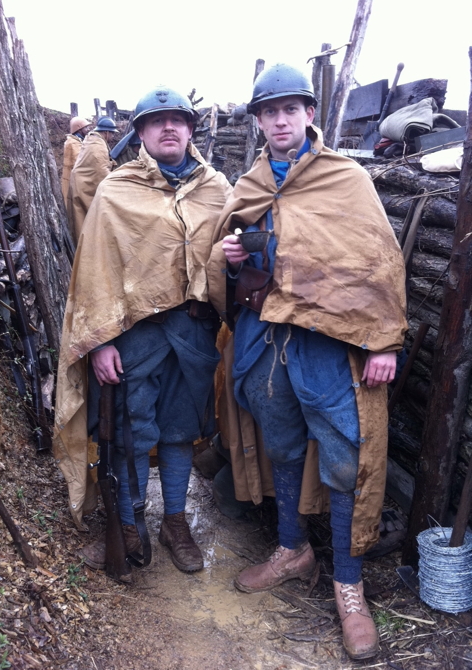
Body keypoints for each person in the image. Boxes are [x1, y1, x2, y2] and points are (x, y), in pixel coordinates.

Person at [207, 63, 407, 660]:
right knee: (283, 443)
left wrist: (384, 341)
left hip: (326, 342)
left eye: (289, 109)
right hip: (266, 338)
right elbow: (230, 264)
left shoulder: (344, 179)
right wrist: (231, 254)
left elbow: (379, 259)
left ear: (309, 114)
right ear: (260, 121)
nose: (279, 119)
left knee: (345, 456)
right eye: (269, 112)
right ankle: (293, 550)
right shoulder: (248, 186)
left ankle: (349, 585)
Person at [53, 86, 232, 575]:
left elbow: (229, 261)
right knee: (132, 430)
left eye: (178, 119)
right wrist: (101, 341)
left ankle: (175, 521)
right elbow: (95, 269)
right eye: (157, 121)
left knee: (180, 430)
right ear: (141, 133)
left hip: (195, 331)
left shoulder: (218, 188)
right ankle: (128, 523)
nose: (169, 127)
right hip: (136, 335)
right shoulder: (117, 190)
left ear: (191, 129)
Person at [66, 116, 118, 243]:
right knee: (85, 221)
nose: (112, 137)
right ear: (106, 133)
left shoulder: (93, 139)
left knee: (83, 219)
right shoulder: (97, 144)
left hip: (81, 184)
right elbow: (101, 171)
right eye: (112, 134)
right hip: (84, 187)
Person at [61, 116, 92, 206]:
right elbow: (80, 160)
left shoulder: (78, 141)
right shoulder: (73, 143)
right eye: (85, 127)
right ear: (79, 129)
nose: (88, 129)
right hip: (72, 179)